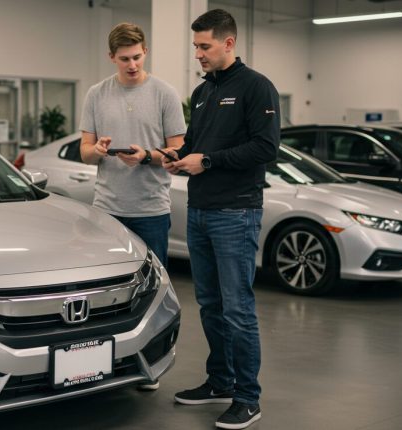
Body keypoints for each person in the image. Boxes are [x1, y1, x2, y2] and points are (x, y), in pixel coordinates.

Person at [162, 9, 279, 429]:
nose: (199, 54)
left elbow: (266, 148)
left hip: (236, 213)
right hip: (200, 212)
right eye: (195, 47)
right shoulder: (202, 93)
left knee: (238, 308)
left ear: (228, 43)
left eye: (205, 46)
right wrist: (173, 157)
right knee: (210, 304)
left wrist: (207, 160)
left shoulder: (256, 87)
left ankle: (248, 397)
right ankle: (220, 381)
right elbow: (195, 144)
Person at [79, 22, 186, 270]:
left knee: (154, 280)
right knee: (108, 279)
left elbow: (178, 151)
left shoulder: (165, 94)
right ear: (111, 57)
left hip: (152, 211)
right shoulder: (96, 94)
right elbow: (85, 151)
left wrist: (146, 156)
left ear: (145, 51)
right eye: (124, 59)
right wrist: (96, 151)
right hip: (107, 210)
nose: (132, 65)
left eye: (137, 57)